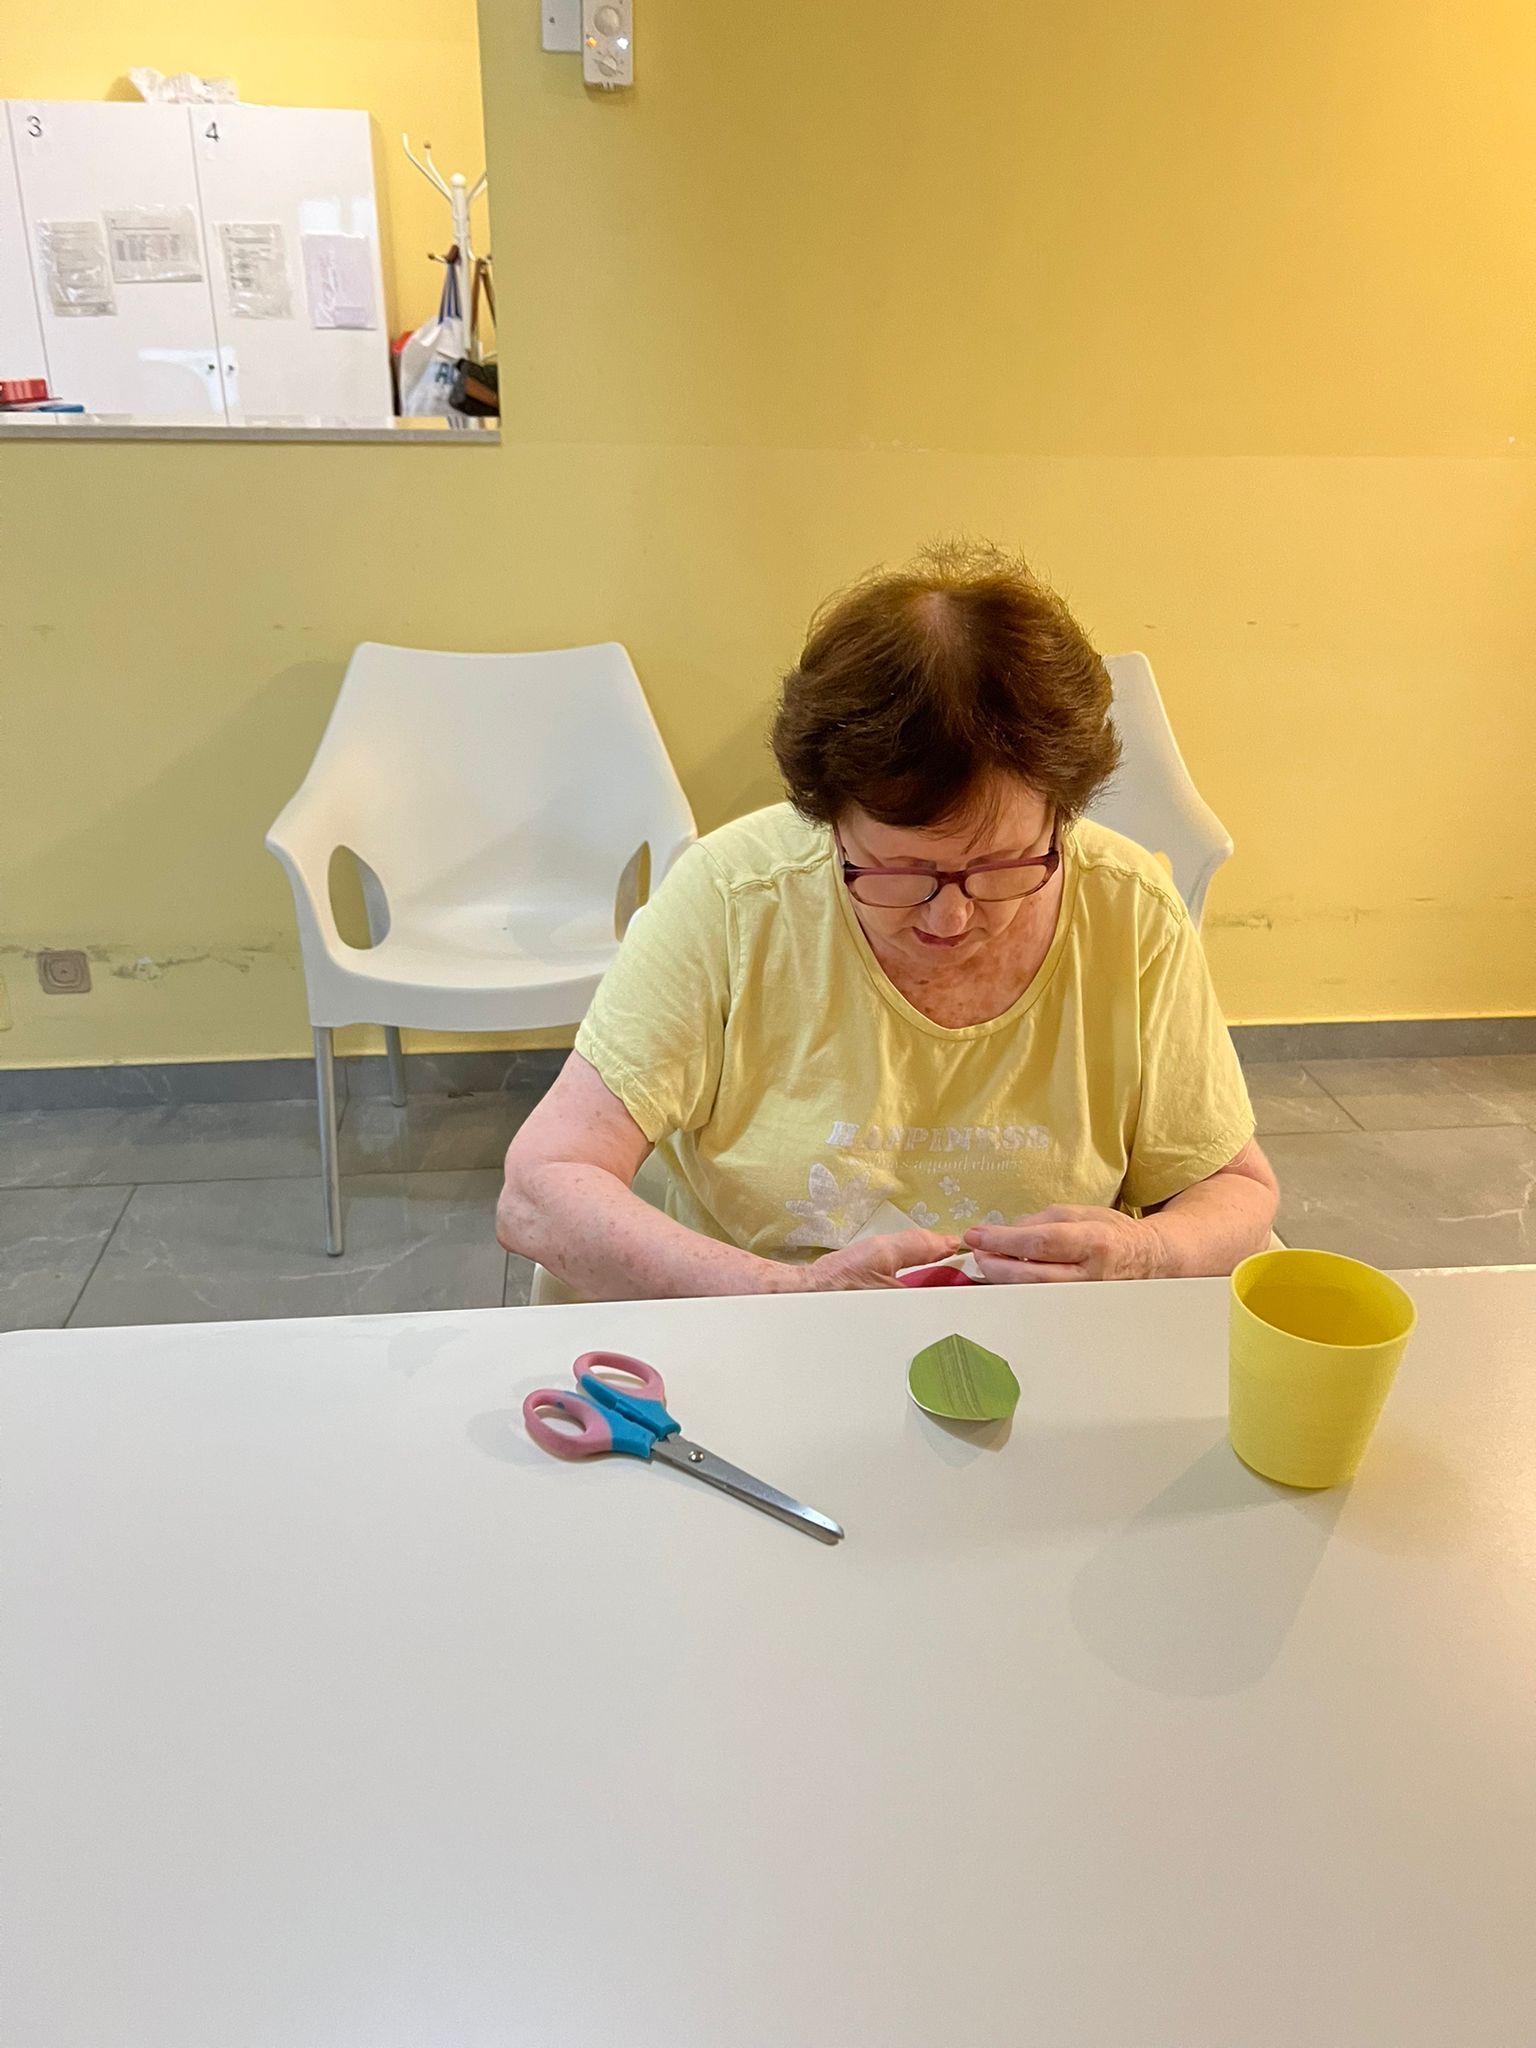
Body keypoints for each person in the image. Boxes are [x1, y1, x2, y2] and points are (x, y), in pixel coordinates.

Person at [497, 541, 1278, 1299]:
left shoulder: (1128, 907)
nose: (952, 915)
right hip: (769, 1326)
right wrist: (786, 1291)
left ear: (1062, 814)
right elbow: (540, 1189)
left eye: (1004, 866)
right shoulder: (733, 899)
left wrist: (1147, 1252)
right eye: (902, 872)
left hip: (1046, 1334)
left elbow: (1237, 1189)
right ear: (828, 820)